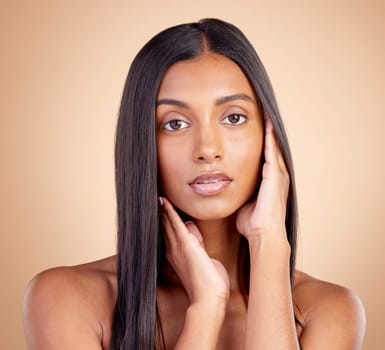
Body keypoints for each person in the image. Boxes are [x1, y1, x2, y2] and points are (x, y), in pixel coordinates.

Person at [23, 18, 366, 349]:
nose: (207, 149)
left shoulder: (328, 310)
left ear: (268, 133)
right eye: (174, 124)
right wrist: (205, 309)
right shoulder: (66, 298)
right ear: (142, 144)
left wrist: (270, 247)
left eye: (233, 117)